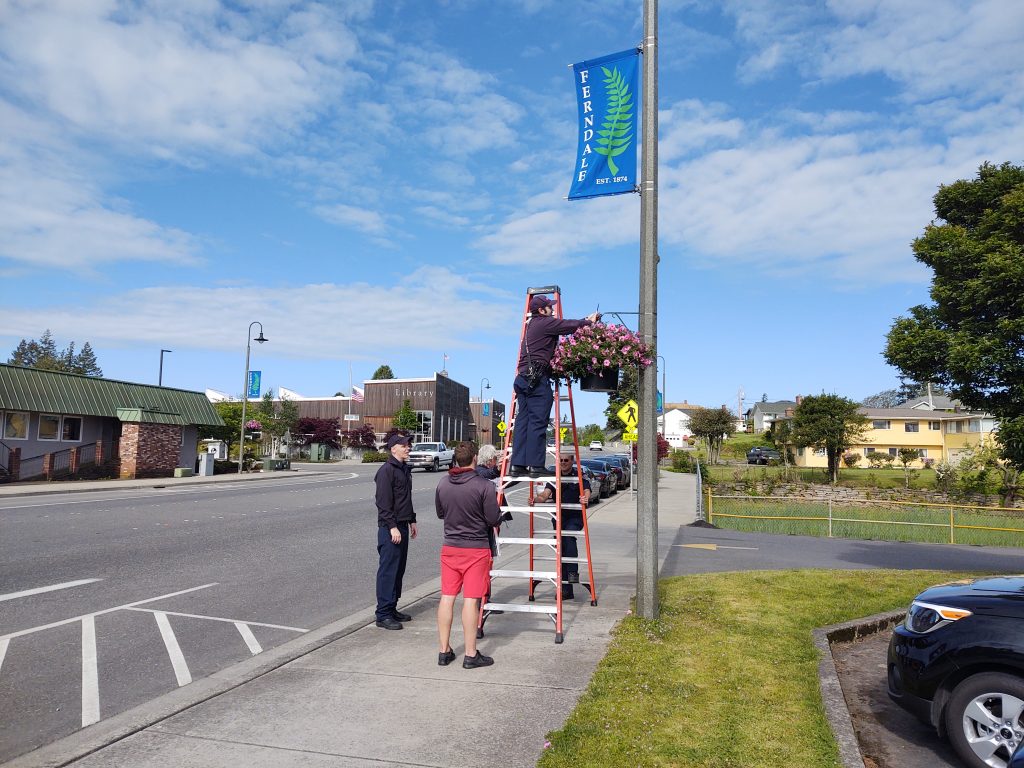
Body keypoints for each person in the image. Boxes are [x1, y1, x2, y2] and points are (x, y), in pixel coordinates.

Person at [510, 295, 600, 477]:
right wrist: (588, 321)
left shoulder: (531, 325)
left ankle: (517, 465)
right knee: (538, 422)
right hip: (536, 379)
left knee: (522, 421)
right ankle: (536, 466)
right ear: (542, 311)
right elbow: (567, 325)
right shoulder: (544, 323)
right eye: (549, 308)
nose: (552, 310)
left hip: (522, 378)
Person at [436, 442, 502, 668]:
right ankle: (471, 654)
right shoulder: (483, 486)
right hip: (475, 548)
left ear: (455, 459)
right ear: (474, 458)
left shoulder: (443, 483)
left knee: (447, 597)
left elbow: (440, 512)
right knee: (471, 600)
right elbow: (493, 518)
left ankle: (444, 651)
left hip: (450, 547)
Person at [374, 433, 417, 630]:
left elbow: (405, 499)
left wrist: (412, 520)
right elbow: (383, 503)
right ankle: (382, 614)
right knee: (388, 571)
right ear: (394, 449)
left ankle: (392, 608)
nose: (408, 448)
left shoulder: (404, 470)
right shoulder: (386, 471)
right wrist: (392, 527)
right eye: (405, 445)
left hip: (402, 524)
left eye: (408, 445)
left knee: (398, 570)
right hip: (390, 528)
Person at [534, 453, 590, 600]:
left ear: (572, 461)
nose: (563, 463)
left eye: (566, 460)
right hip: (558, 519)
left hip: (575, 518)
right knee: (561, 550)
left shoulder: (578, 477)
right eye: (561, 460)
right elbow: (545, 495)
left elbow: (586, 490)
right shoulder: (554, 479)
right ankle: (566, 590)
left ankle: (572, 573)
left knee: (569, 537)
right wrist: (536, 499)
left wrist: (585, 498)